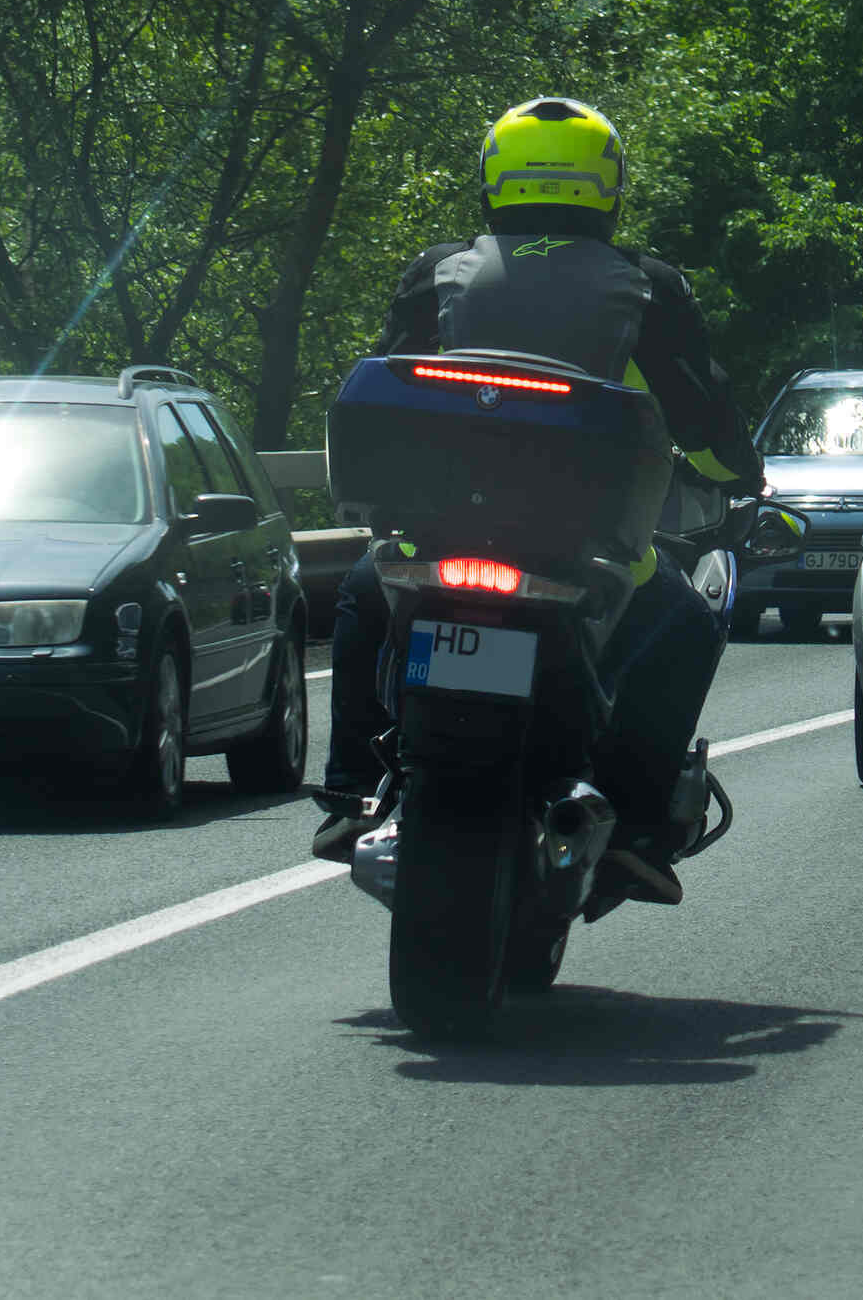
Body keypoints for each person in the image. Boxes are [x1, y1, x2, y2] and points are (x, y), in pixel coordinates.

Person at [312, 97, 765, 899]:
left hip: (440, 526)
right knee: (687, 625)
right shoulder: (645, 283)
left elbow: (382, 385)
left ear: (494, 177)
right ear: (608, 184)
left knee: (360, 593)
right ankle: (635, 826)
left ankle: (351, 790)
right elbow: (703, 420)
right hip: (580, 539)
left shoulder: (439, 269)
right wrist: (739, 476)